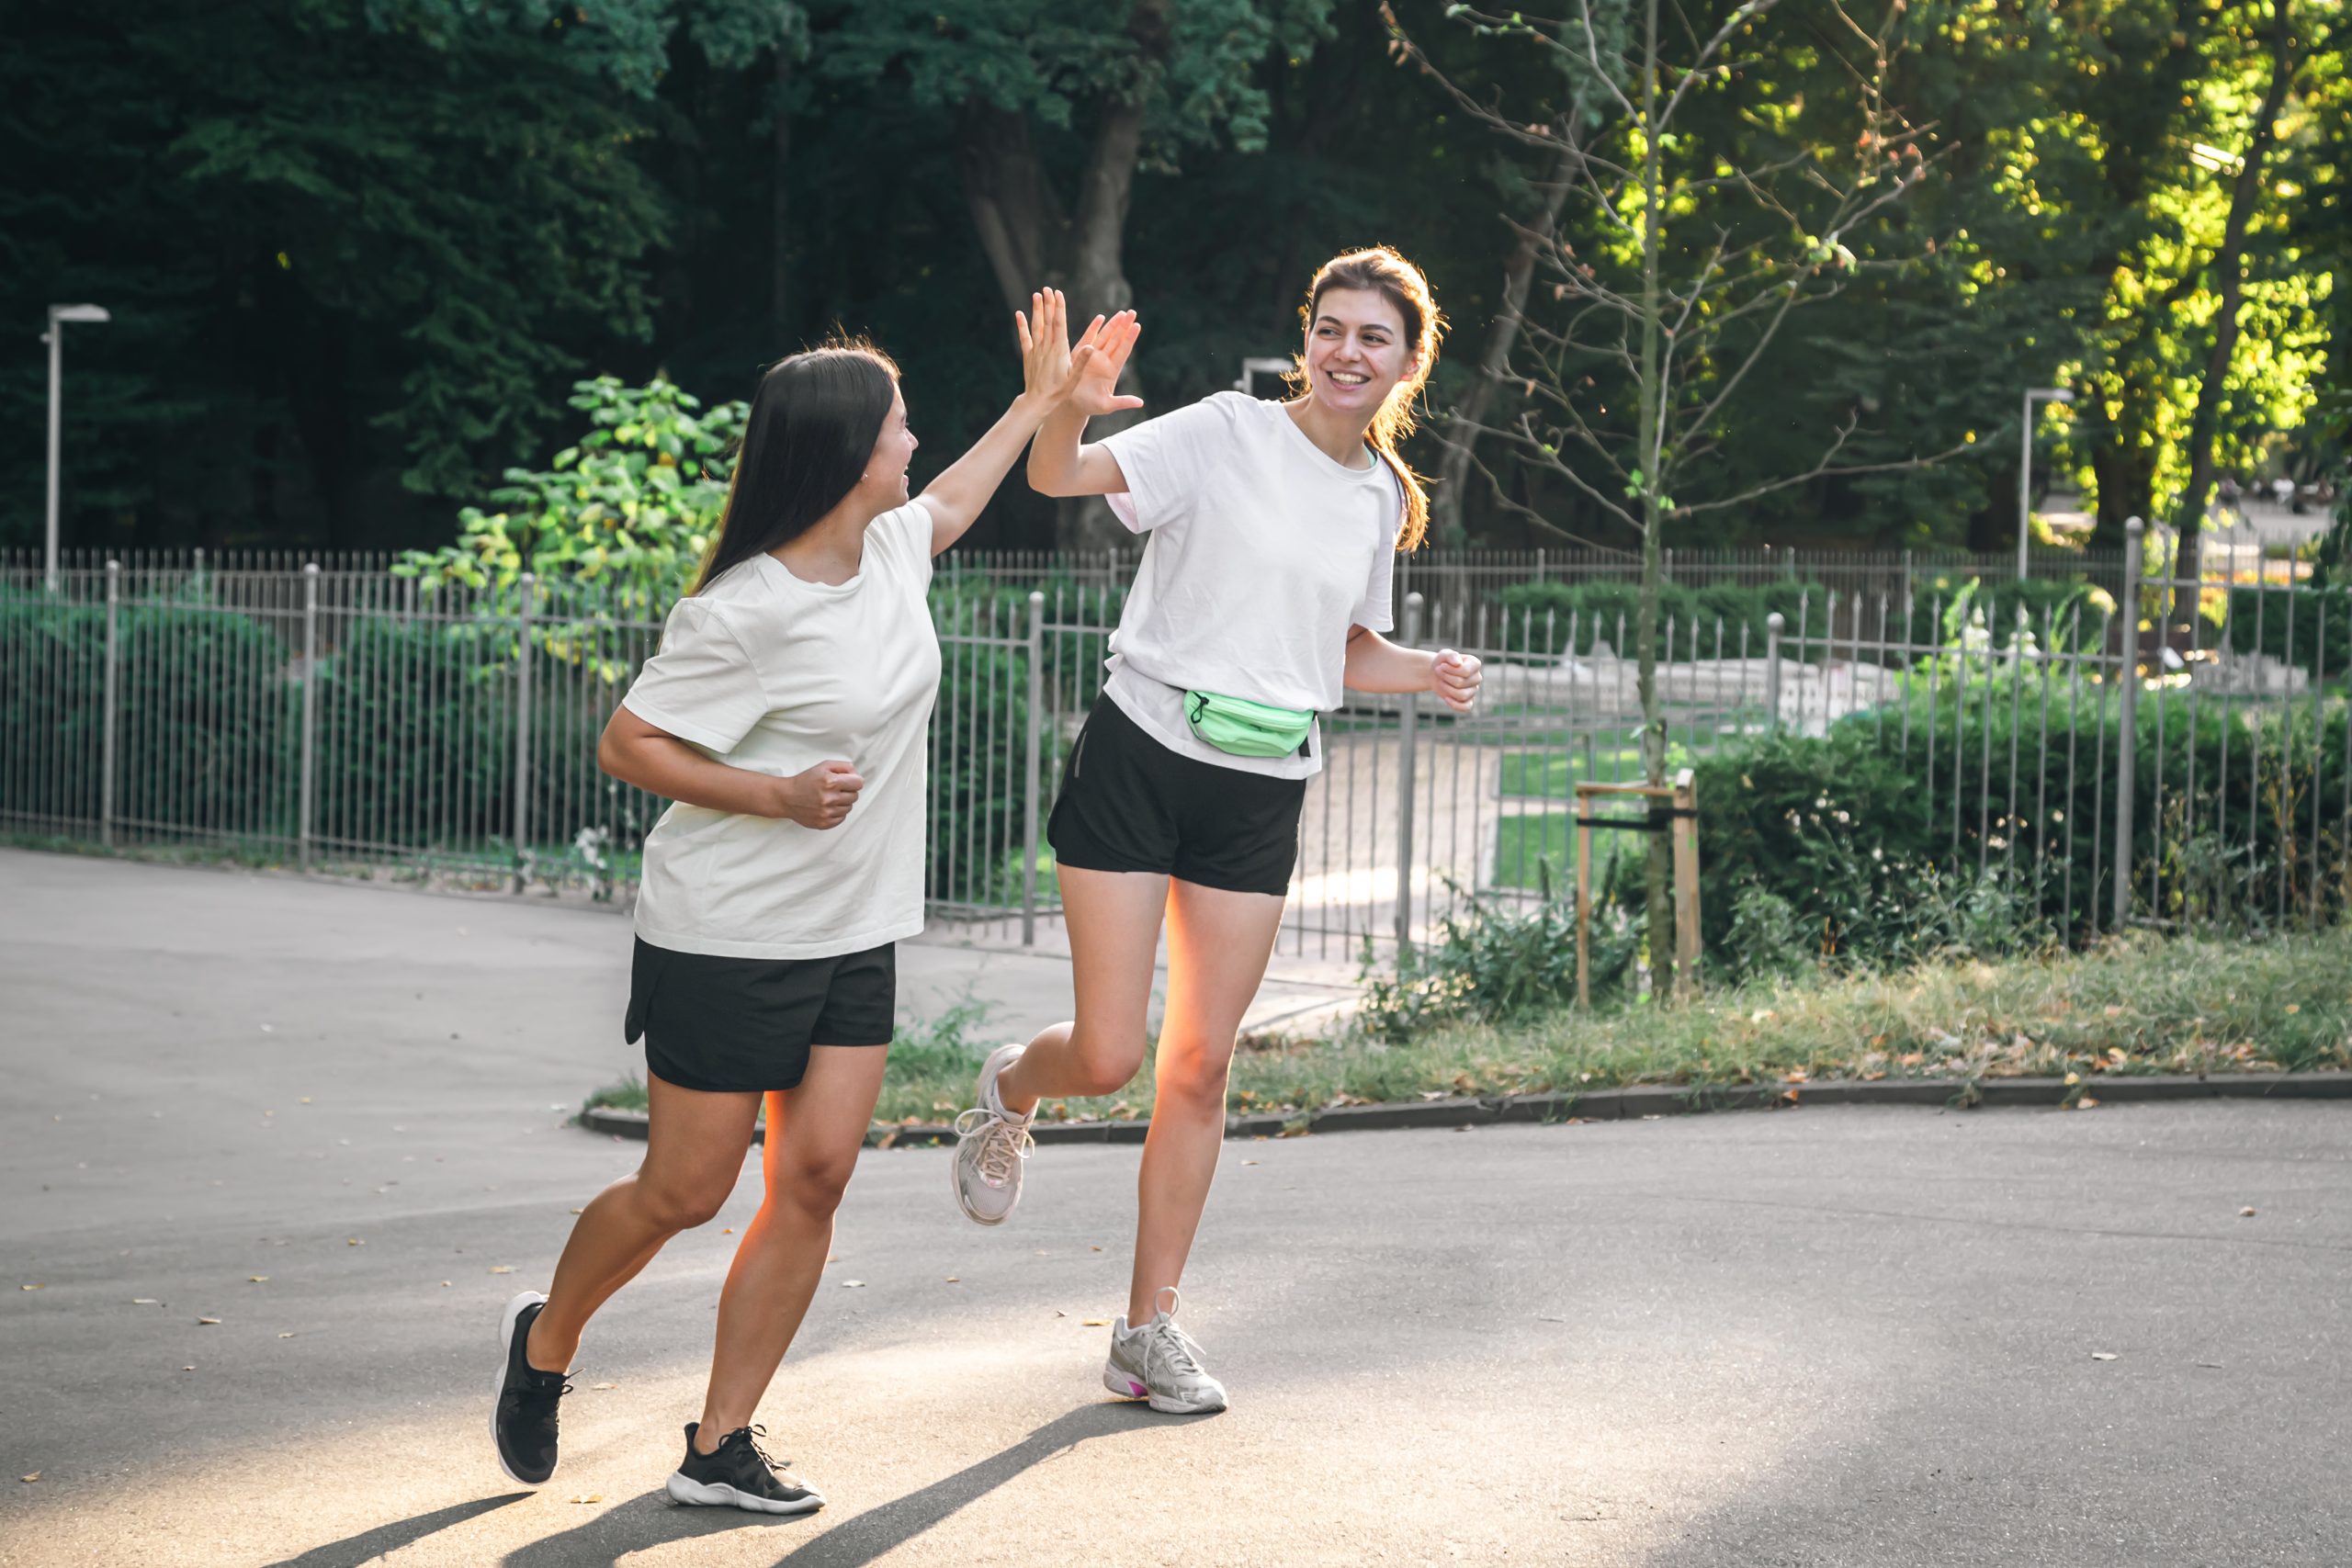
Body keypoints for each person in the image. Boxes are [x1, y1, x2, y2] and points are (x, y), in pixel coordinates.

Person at [490, 292, 1101, 1512]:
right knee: (686, 1189)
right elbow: (627, 741)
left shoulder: (884, 549)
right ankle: (547, 1335)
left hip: (852, 927)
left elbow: (963, 493)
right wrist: (767, 792)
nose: (913, 443)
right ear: (841, 451)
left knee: (814, 1176)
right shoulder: (743, 610)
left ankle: (720, 1441)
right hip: (726, 932)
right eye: (897, 427)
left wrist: (1041, 404)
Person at [947, 247, 1482, 1414]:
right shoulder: (1223, 432)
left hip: (1260, 785)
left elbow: (1344, 650)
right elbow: (1057, 477)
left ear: (1409, 359)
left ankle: (1147, 1330)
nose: (1349, 352)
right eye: (1332, 328)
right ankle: (1010, 1088)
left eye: (1374, 337)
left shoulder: (1379, 497)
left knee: (1198, 1064)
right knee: (1110, 1055)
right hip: (1140, 752)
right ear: (1307, 337)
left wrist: (1425, 670)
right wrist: (1066, 410)